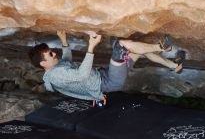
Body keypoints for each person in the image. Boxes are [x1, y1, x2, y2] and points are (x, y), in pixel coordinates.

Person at [28, 31, 185, 106]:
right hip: (109, 81)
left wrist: (64, 41)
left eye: (51, 50)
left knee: (137, 49)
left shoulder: (56, 68)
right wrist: (91, 46)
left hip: (106, 75)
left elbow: (67, 61)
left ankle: (174, 66)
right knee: (120, 45)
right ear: (43, 63)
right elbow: (82, 75)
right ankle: (162, 47)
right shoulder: (55, 76)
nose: (54, 52)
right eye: (50, 53)